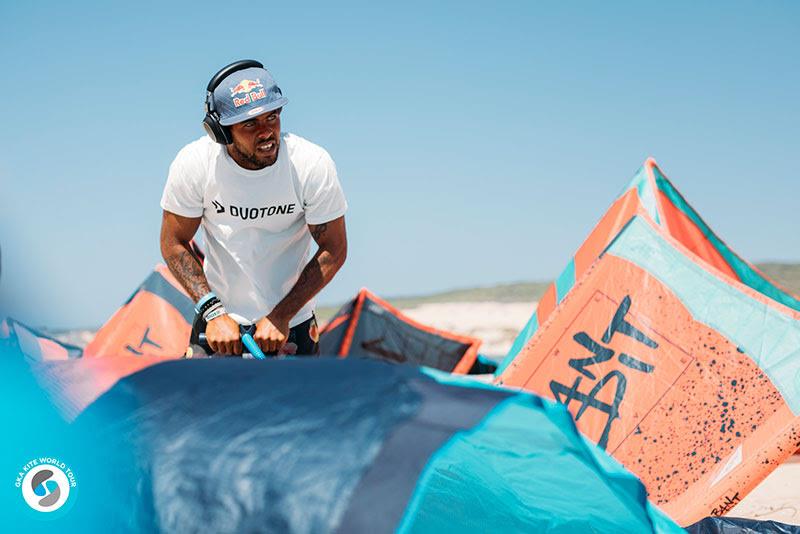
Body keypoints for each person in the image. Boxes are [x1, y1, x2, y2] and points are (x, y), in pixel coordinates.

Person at [159, 60, 348, 357]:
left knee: (296, 405)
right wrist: (213, 311)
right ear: (220, 131)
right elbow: (173, 243)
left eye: (272, 117)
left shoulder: (311, 164)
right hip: (218, 323)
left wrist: (282, 315)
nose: (266, 132)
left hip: (292, 322)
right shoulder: (194, 164)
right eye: (250, 123)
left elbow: (333, 248)